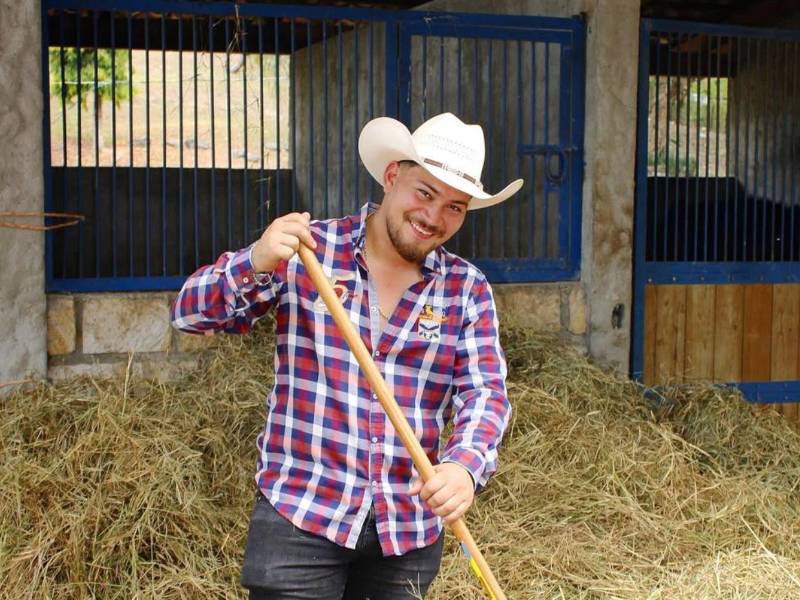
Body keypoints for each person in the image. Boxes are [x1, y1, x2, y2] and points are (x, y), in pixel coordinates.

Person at [171, 112, 523, 599]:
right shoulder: (310, 251)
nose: (434, 218)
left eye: (455, 207)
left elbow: (485, 392)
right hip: (303, 512)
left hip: (406, 529)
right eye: (424, 193)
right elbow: (190, 315)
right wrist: (255, 260)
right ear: (392, 176)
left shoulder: (467, 289)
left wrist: (464, 466)